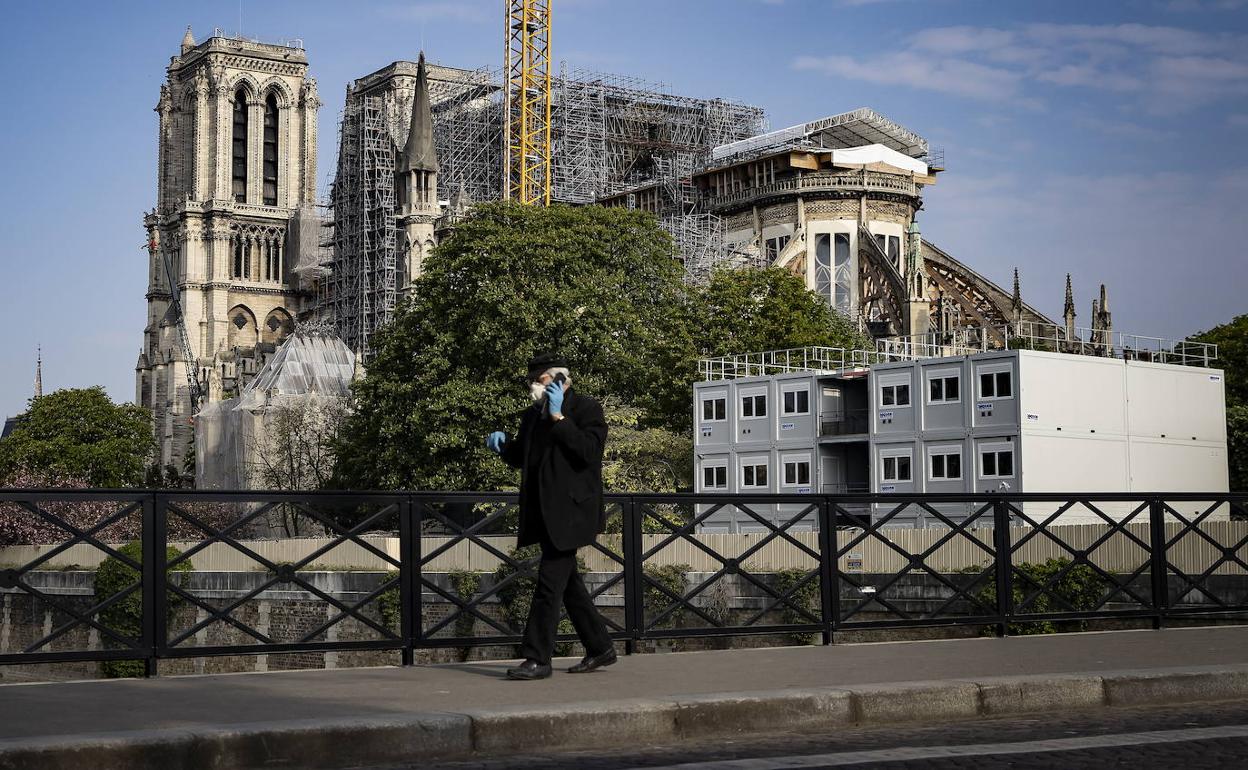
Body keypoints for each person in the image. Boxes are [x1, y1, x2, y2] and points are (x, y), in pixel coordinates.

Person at [486, 353, 617, 680]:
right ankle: (600, 647)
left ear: (559, 380)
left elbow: (588, 452)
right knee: (568, 585)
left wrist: (559, 417)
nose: (533, 387)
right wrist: (504, 447)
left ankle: (537, 658)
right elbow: (523, 457)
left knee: (549, 584)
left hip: (572, 514)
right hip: (543, 512)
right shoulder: (533, 416)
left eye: (539, 380)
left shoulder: (586, 408)